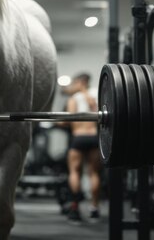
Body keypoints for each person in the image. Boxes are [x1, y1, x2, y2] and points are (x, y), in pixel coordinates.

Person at [61, 73, 102, 222]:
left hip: (79, 137)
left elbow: (70, 120)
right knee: (94, 173)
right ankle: (94, 209)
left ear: (80, 82)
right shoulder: (97, 94)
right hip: (93, 137)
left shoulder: (75, 98)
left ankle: (75, 208)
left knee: (74, 172)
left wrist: (59, 123)